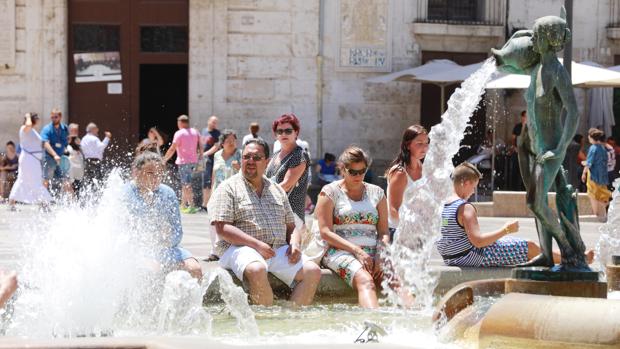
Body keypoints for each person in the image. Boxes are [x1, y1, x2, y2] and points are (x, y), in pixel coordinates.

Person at [208, 139, 321, 306]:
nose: (250, 161)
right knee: (257, 269)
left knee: (313, 271)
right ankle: (266, 319)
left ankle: (293, 318)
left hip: (276, 250)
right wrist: (257, 245)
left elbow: (291, 226)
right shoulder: (228, 187)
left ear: (266, 162)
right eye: (246, 157)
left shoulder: (277, 189)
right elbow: (222, 228)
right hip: (239, 249)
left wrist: (295, 244)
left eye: (256, 157)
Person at [438, 162, 593, 267]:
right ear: (465, 182)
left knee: (525, 244)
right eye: (473, 187)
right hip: (471, 256)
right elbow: (478, 242)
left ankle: (572, 255)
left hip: (453, 257)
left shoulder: (445, 204)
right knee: (528, 247)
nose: (473, 192)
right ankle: (576, 260)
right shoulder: (465, 208)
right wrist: (506, 230)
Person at [315, 146, 392, 308]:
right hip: (340, 251)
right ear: (342, 169)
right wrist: (357, 251)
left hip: (373, 252)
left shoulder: (377, 192)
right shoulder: (329, 192)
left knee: (395, 282)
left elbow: (384, 231)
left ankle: (419, 325)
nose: (358, 176)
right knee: (366, 281)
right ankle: (374, 326)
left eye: (362, 171)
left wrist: (380, 254)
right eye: (353, 172)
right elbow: (325, 232)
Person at [123, 152, 202, 279]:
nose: (156, 178)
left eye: (159, 173)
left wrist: (166, 238)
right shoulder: (125, 194)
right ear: (136, 172)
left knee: (194, 268)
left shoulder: (167, 193)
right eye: (150, 173)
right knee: (152, 269)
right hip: (136, 249)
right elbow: (121, 231)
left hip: (165, 248)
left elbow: (177, 231)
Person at [385, 125, 429, 240]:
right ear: (408, 145)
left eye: (426, 143)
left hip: (417, 232)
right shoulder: (400, 173)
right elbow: (393, 210)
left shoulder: (422, 168)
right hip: (397, 231)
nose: (424, 148)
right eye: (419, 143)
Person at [204, 129, 241, 262]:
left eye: (233, 140)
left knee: (230, 223)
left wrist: (239, 168)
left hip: (234, 194)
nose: (231, 143)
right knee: (212, 221)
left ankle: (229, 251)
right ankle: (214, 251)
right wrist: (211, 194)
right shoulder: (217, 155)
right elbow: (214, 174)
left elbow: (248, 174)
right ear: (222, 143)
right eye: (228, 141)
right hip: (217, 192)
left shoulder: (240, 155)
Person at [266, 113, 310, 223]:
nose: (283, 134)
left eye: (288, 131)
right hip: (272, 213)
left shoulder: (299, 155)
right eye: (279, 131)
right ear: (275, 135)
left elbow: (286, 185)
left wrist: (259, 195)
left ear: (296, 132)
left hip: (291, 217)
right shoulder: (276, 154)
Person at [9, 113, 52, 210]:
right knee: (35, 180)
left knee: (23, 180)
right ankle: (44, 203)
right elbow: (28, 125)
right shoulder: (24, 128)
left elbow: (42, 143)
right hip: (29, 159)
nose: (38, 120)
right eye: (36, 118)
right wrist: (28, 116)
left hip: (32, 160)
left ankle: (12, 202)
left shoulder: (33, 131)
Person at [164, 115, 202, 214]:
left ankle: (192, 206)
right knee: (185, 184)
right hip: (194, 161)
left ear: (180, 122)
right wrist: (201, 157)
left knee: (186, 184)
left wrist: (164, 159)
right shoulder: (195, 132)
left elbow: (172, 148)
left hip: (183, 162)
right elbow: (201, 146)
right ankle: (183, 205)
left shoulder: (179, 133)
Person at [582, 128, 612, 222]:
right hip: (602, 176)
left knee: (593, 194)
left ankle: (596, 214)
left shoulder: (593, 148)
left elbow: (589, 163)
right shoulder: (603, 149)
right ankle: (603, 214)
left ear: (592, 138)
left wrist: (584, 172)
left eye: (589, 137)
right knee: (601, 195)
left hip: (593, 175)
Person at [40, 108, 72, 196]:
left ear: (60, 117)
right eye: (52, 117)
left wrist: (66, 149)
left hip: (61, 158)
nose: (54, 119)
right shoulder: (47, 129)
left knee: (66, 180)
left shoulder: (65, 128)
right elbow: (45, 144)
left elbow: (66, 141)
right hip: (50, 158)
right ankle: (43, 203)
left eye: (56, 117)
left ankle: (72, 203)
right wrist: (54, 155)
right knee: (46, 180)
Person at [81, 122, 111, 191]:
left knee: (88, 181)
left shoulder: (83, 139)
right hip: (95, 162)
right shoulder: (94, 138)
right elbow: (101, 147)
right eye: (96, 129)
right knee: (98, 181)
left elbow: (82, 150)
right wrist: (107, 137)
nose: (98, 130)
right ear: (93, 129)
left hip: (87, 162)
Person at [200, 115, 221, 210]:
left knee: (211, 182)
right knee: (205, 182)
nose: (214, 124)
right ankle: (204, 204)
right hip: (204, 160)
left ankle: (209, 204)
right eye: (213, 122)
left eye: (216, 122)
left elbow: (216, 147)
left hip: (212, 160)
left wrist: (205, 153)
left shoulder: (217, 134)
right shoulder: (204, 131)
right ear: (208, 121)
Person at [507, 110, 527, 190]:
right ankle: (514, 188)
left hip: (526, 153)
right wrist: (514, 147)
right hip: (517, 152)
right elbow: (513, 139)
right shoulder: (517, 126)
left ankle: (524, 188)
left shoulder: (529, 127)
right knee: (516, 170)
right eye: (525, 116)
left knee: (525, 171)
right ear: (522, 117)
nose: (526, 118)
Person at [66, 126, 84, 198]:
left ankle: (76, 202)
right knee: (70, 185)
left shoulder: (78, 142)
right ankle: (71, 201)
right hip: (71, 169)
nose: (75, 132)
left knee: (77, 187)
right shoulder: (67, 144)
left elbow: (82, 153)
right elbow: (66, 155)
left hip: (78, 169)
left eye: (76, 130)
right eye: (73, 130)